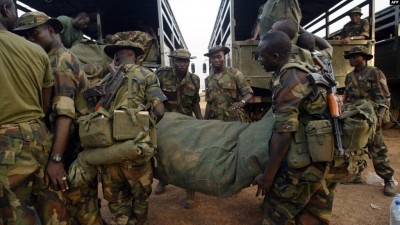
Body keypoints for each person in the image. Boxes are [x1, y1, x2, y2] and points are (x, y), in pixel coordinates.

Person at [14, 11, 104, 224]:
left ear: (51, 30)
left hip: (71, 148)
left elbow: (65, 113)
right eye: (25, 37)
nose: (30, 40)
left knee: (85, 211)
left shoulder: (60, 60)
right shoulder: (50, 59)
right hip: (69, 146)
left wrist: (56, 159)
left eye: (34, 34)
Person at [253, 31, 349, 224]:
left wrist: (268, 176)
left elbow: (284, 132)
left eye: (262, 55)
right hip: (330, 156)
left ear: (276, 57)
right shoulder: (306, 66)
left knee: (276, 214)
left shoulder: (289, 78)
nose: (259, 60)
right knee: (315, 214)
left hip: (309, 163)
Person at [0, 1, 71, 224]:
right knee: (55, 212)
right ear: (6, 9)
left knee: (16, 214)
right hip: (40, 138)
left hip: (4, 147)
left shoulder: (61, 59)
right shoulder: (37, 53)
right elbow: (45, 105)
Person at [99, 38, 166, 224]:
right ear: (137, 57)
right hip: (136, 147)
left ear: (116, 58)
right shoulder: (147, 75)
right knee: (140, 197)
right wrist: (145, 125)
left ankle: (121, 219)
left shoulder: (105, 80)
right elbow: (160, 111)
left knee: (117, 198)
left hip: (109, 149)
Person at [343, 46, 396, 196]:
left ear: (364, 57)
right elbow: (347, 97)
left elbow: (384, 97)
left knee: (377, 148)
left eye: (355, 56)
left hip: (371, 117)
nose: (352, 59)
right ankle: (356, 174)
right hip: (355, 116)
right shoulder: (349, 76)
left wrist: (379, 118)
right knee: (354, 146)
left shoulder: (375, 73)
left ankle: (388, 179)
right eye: (350, 57)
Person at [154, 49, 202, 209]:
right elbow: (154, 96)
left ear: (189, 62)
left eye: (185, 61)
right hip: (165, 124)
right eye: (179, 61)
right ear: (173, 61)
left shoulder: (194, 80)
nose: (182, 64)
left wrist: (200, 122)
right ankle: (163, 180)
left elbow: (195, 102)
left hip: (186, 124)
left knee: (188, 158)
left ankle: (190, 192)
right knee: (163, 154)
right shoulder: (162, 74)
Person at [203, 45, 254, 122]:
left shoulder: (235, 74)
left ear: (224, 57)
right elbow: (209, 103)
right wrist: (205, 122)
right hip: (214, 121)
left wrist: (241, 102)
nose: (216, 60)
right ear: (210, 60)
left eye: (219, 57)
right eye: (213, 58)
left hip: (232, 120)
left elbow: (249, 93)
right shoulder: (208, 79)